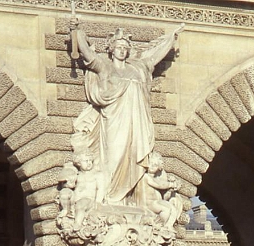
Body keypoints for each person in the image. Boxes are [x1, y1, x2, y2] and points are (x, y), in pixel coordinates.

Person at [69, 20, 185, 206]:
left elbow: (154, 57)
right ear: (111, 49)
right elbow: (88, 55)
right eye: (118, 47)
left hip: (136, 124)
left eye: (125, 47)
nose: (122, 50)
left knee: (134, 157)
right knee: (113, 158)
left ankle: (128, 200)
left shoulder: (138, 68)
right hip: (113, 122)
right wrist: (76, 32)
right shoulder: (105, 67)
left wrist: (171, 39)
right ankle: (109, 198)